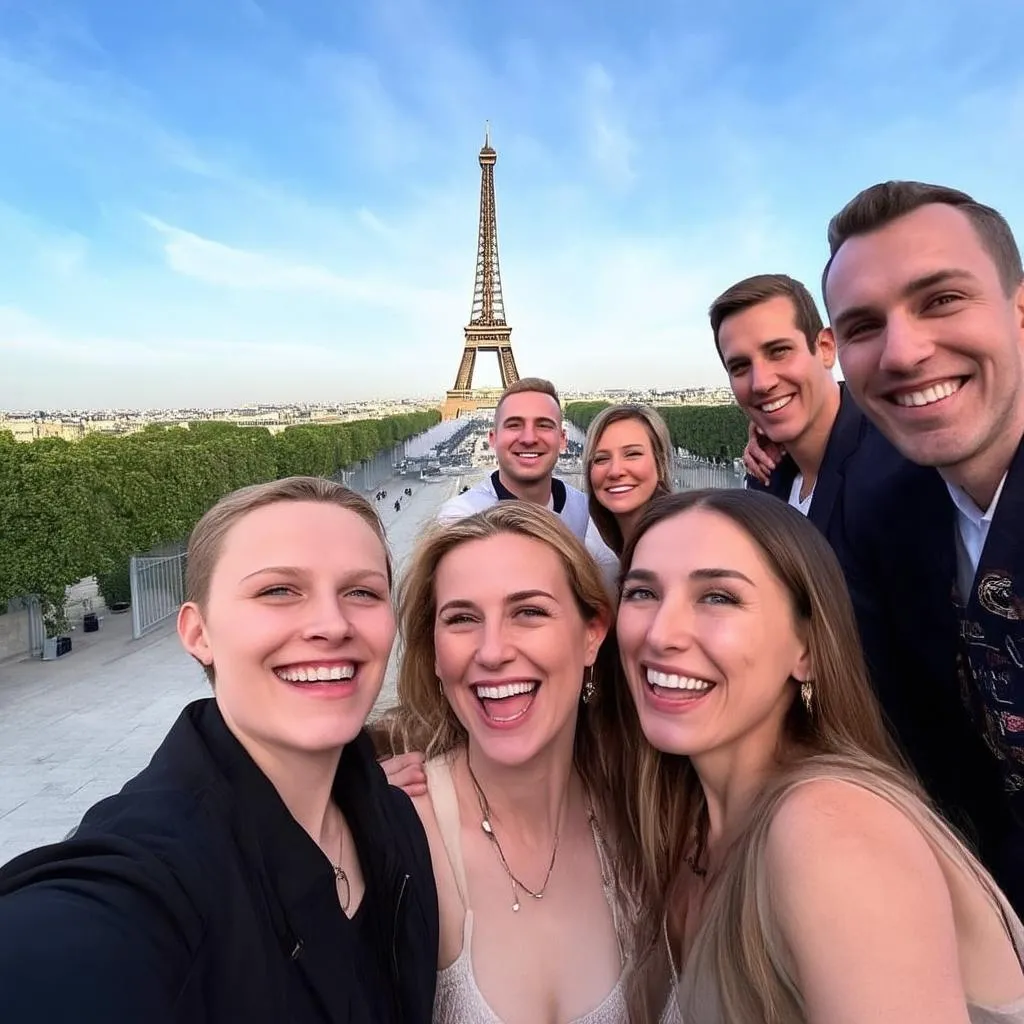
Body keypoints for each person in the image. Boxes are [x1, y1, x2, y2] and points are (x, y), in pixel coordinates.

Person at [0, 477, 438, 1023]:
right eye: (278, 590)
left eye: (362, 592)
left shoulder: (390, 812)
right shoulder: (150, 874)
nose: (332, 623)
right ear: (198, 632)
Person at [605, 489, 1024, 1023]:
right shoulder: (690, 821)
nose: (661, 634)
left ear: (806, 647)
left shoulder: (830, 832)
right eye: (642, 593)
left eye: (718, 598)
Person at [821, 180, 1024, 913]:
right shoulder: (883, 511)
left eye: (941, 299)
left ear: (1021, 311)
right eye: (864, 326)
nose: (904, 352)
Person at [374, 503, 630, 1023]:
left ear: (592, 633)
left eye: (529, 611)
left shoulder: (648, 817)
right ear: (435, 652)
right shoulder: (398, 834)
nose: (492, 651)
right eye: (463, 619)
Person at [711, 273, 905, 560]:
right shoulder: (766, 476)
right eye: (740, 367)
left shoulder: (895, 470)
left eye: (779, 351)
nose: (761, 383)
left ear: (826, 348)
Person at [437, 377, 618, 578]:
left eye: (544, 425)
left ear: (563, 440)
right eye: (514, 425)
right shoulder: (458, 519)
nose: (529, 438)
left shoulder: (587, 511)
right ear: (492, 439)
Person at [583, 404, 673, 557]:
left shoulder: (685, 549)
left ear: (660, 464)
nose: (615, 471)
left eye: (632, 454)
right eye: (601, 459)